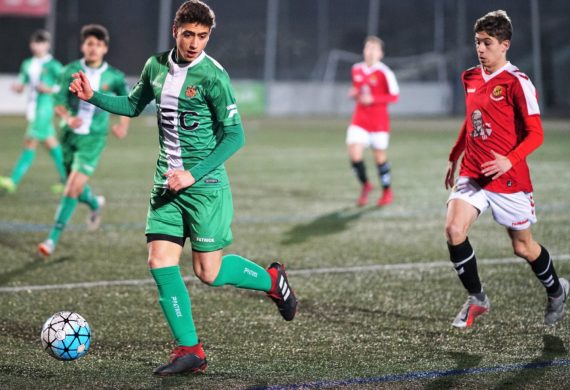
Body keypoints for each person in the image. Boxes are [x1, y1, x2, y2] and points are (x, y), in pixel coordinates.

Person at [67, 0, 298, 375]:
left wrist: (193, 173)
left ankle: (272, 280)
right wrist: (93, 97)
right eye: (188, 34)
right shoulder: (155, 66)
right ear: (175, 31)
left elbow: (235, 136)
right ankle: (190, 350)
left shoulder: (213, 77)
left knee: (208, 273)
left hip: (205, 188)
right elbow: (132, 104)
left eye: (203, 36)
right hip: (166, 186)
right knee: (159, 261)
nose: (195, 43)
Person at [444, 10, 568, 328]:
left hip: (509, 179)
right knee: (454, 230)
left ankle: (556, 290)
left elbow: (537, 133)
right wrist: (455, 154)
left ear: (504, 45)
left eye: (487, 43)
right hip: (473, 172)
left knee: (523, 246)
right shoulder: (470, 77)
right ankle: (477, 299)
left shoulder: (517, 83)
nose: (480, 49)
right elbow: (472, 120)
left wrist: (508, 160)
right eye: (477, 42)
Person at [37, 24, 130, 256]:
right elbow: (58, 100)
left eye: (98, 45)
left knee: (70, 188)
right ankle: (95, 203)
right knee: (75, 186)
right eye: (90, 44)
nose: (93, 48)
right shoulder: (69, 70)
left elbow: (127, 101)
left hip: (93, 139)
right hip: (68, 137)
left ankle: (51, 239)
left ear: (105, 49)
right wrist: (68, 118)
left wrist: (122, 124)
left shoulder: (114, 77)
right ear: (83, 46)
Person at [0, 30, 66, 194]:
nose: (38, 46)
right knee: (51, 144)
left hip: (45, 108)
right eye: (36, 42)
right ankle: (67, 179)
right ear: (31, 45)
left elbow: (65, 85)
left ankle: (12, 181)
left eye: (42, 43)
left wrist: (49, 89)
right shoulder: (27, 64)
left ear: (47, 45)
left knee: (30, 142)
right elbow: (22, 85)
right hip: (33, 108)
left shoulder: (53, 65)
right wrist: (17, 88)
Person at [347, 36, 399, 207]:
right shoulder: (356, 69)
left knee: (379, 158)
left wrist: (374, 99)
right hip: (359, 120)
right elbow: (358, 89)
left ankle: (386, 191)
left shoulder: (385, 72)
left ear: (381, 54)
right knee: (354, 155)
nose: (370, 51)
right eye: (368, 48)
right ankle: (366, 185)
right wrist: (354, 93)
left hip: (379, 122)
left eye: (374, 49)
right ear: (363, 51)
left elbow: (394, 96)